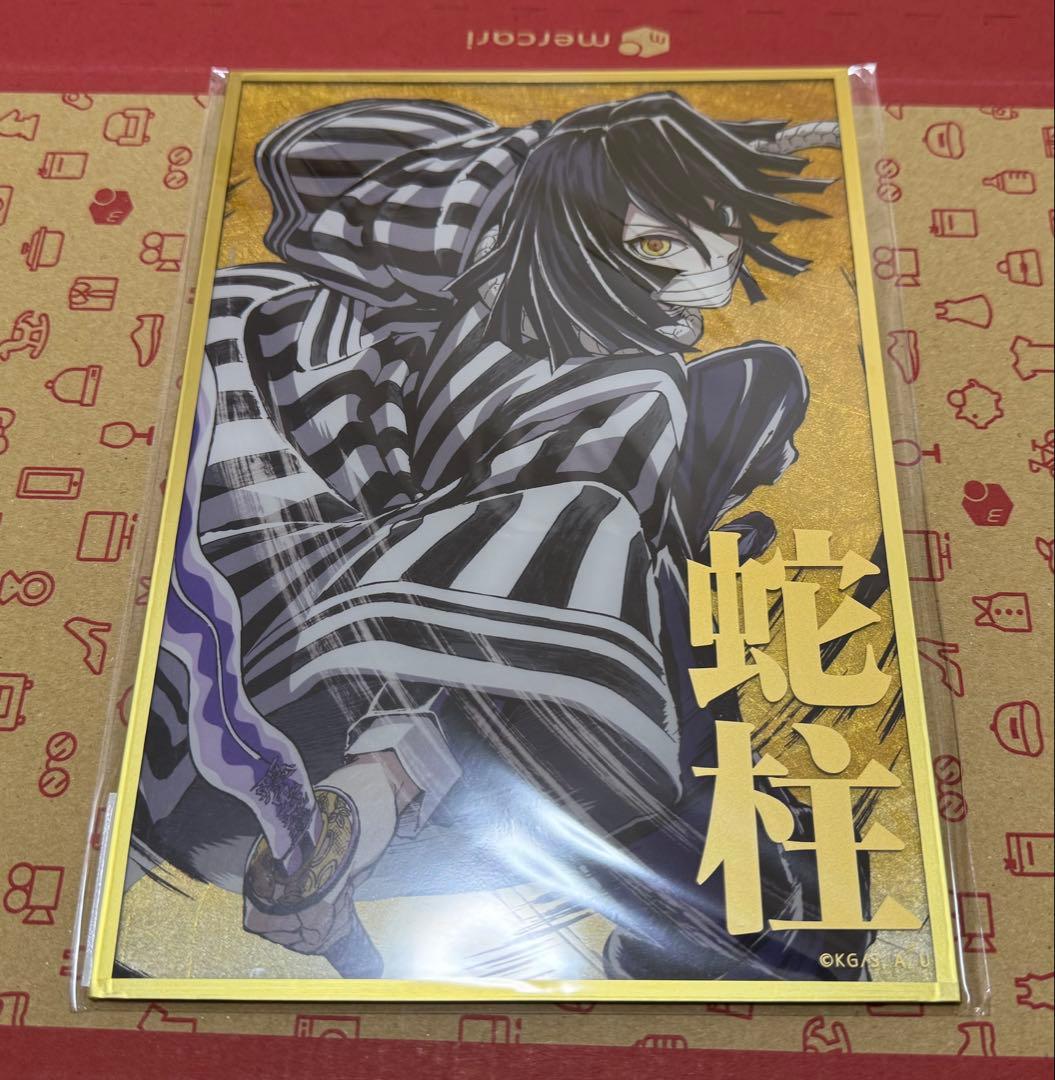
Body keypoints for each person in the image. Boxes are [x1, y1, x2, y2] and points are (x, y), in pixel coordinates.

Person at [132, 91, 873, 981]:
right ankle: (380, 788)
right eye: (661, 246)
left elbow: (326, 168)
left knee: (615, 566)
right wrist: (597, 147)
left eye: (722, 250)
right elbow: (317, 157)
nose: (709, 283)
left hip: (242, 711)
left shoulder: (460, 280)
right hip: (314, 674)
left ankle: (373, 808)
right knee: (596, 538)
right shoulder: (616, 383)